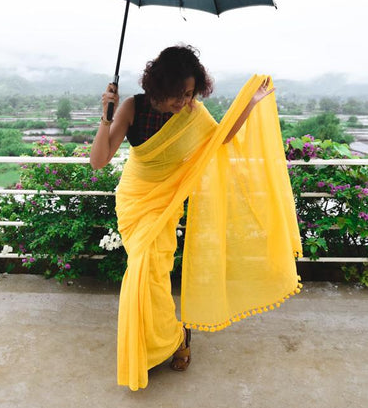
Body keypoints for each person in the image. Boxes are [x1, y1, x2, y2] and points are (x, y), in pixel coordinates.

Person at [90, 45, 302, 391]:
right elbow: (98, 161)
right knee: (147, 275)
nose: (183, 102)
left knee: (150, 274)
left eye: (189, 94)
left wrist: (251, 102)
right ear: (158, 85)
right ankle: (174, 336)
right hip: (134, 200)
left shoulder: (194, 114)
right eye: (177, 94)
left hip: (167, 202)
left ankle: (167, 340)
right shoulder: (132, 107)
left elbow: (222, 137)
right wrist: (106, 116)